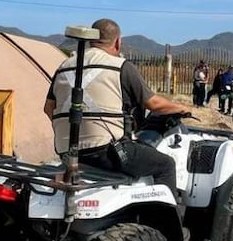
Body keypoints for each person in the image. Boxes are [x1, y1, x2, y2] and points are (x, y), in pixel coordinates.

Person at [44, 19, 188, 197]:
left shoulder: (64, 67)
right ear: (118, 42)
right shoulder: (120, 66)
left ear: (91, 40)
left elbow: (49, 108)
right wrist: (180, 107)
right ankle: (164, 223)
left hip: (66, 151)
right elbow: (153, 104)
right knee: (166, 165)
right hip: (107, 152)